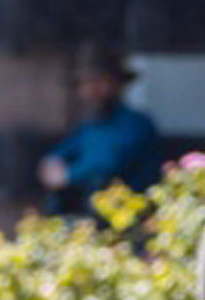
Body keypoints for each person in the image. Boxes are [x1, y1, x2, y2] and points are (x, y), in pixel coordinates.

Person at [39, 48, 161, 216]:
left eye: (100, 81)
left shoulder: (135, 124)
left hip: (127, 216)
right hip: (88, 216)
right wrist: (52, 164)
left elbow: (107, 162)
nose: (92, 89)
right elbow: (62, 152)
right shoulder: (89, 127)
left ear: (117, 84)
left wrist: (68, 175)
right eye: (87, 83)